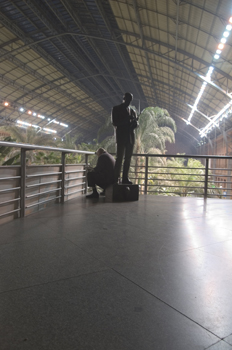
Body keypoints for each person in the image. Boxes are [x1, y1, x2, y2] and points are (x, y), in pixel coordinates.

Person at [112, 92, 138, 184]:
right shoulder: (116, 109)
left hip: (130, 137)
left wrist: (134, 124)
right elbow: (115, 123)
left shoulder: (133, 111)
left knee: (128, 159)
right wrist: (126, 119)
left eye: (130, 100)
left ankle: (125, 178)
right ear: (124, 99)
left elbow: (133, 125)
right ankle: (115, 178)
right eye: (127, 99)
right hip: (121, 136)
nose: (128, 101)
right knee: (119, 158)